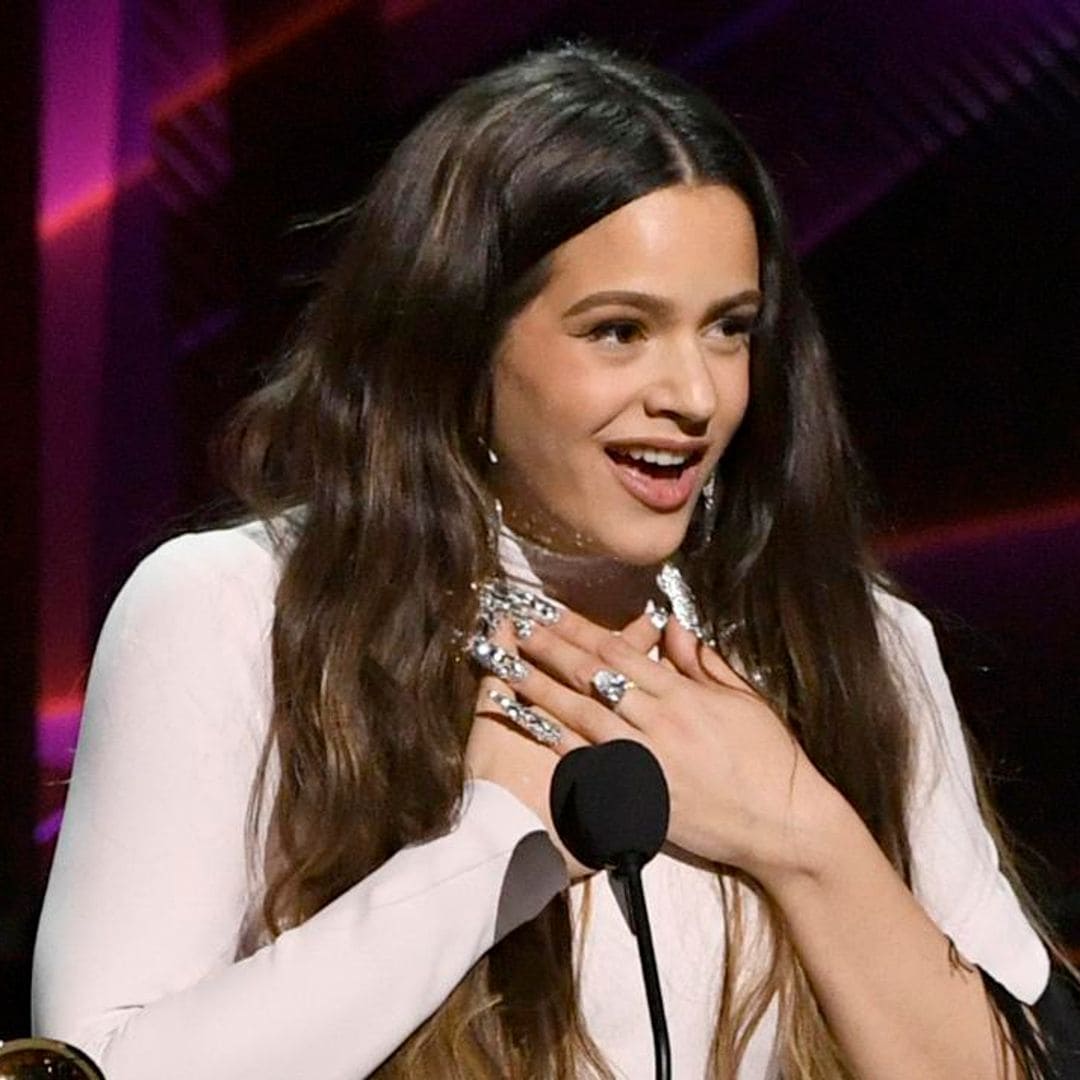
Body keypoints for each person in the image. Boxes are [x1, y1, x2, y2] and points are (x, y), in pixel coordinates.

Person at [31, 42, 1076, 1079]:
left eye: (729, 330)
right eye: (619, 331)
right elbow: (107, 1067)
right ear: (463, 340)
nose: (696, 396)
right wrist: (492, 847)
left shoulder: (860, 640)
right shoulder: (230, 611)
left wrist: (800, 832)